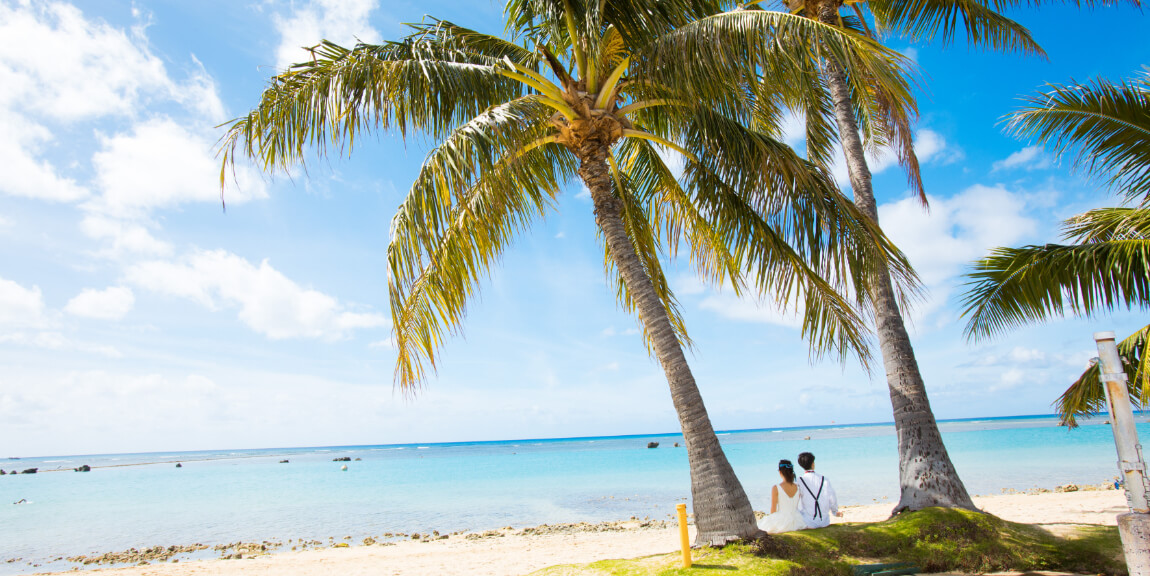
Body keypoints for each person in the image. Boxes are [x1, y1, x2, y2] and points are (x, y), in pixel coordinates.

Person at [757, 459, 808, 533]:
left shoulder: (776, 487)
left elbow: (773, 509)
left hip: (782, 519)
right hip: (797, 519)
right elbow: (795, 506)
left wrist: (771, 521)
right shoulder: (798, 487)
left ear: (780, 472)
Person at [796, 451, 840, 529]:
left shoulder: (799, 481)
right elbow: (832, 498)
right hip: (825, 522)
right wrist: (835, 511)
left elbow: (795, 500)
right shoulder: (824, 479)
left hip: (808, 522)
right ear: (813, 464)